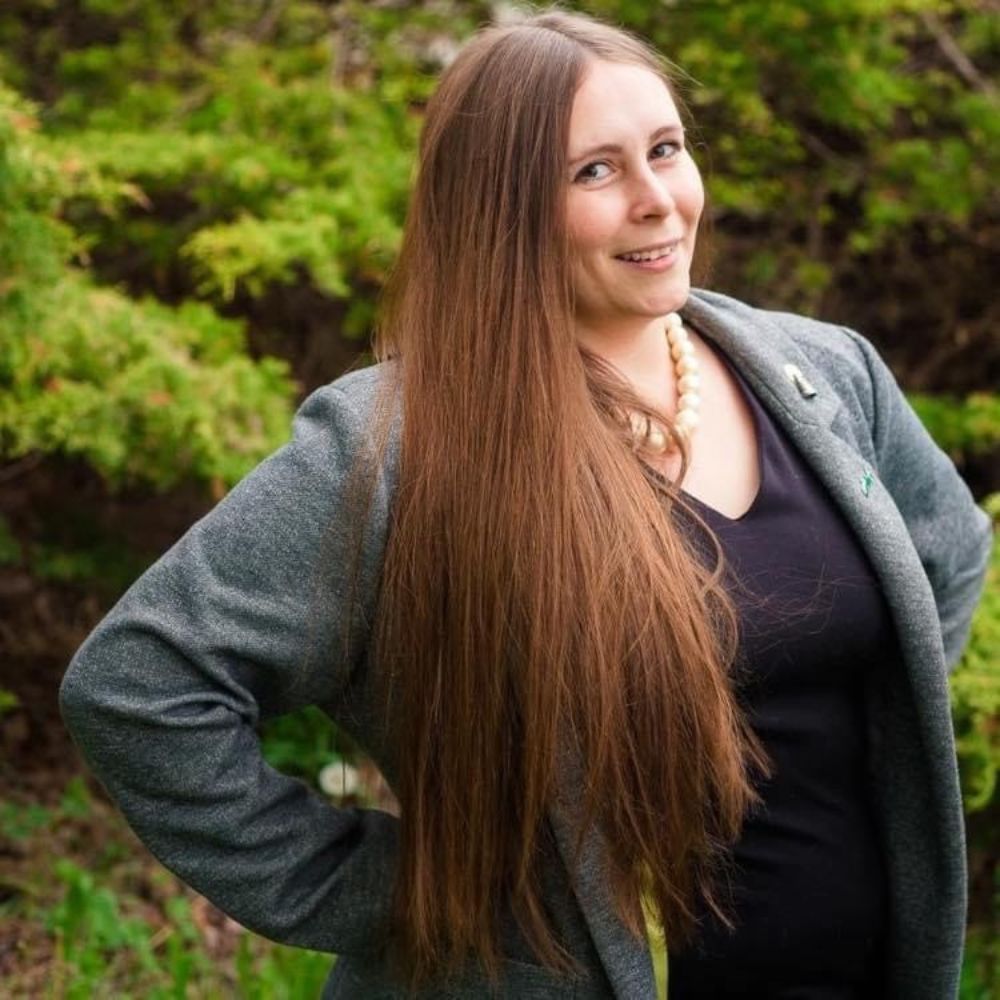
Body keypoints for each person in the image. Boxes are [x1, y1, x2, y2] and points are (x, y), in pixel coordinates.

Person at [59, 9, 991, 999]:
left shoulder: (819, 369)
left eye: (665, 150)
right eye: (594, 171)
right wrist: (399, 891)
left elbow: (947, 544)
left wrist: (892, 745)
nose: (656, 200)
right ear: (500, 208)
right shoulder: (398, 445)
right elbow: (137, 687)